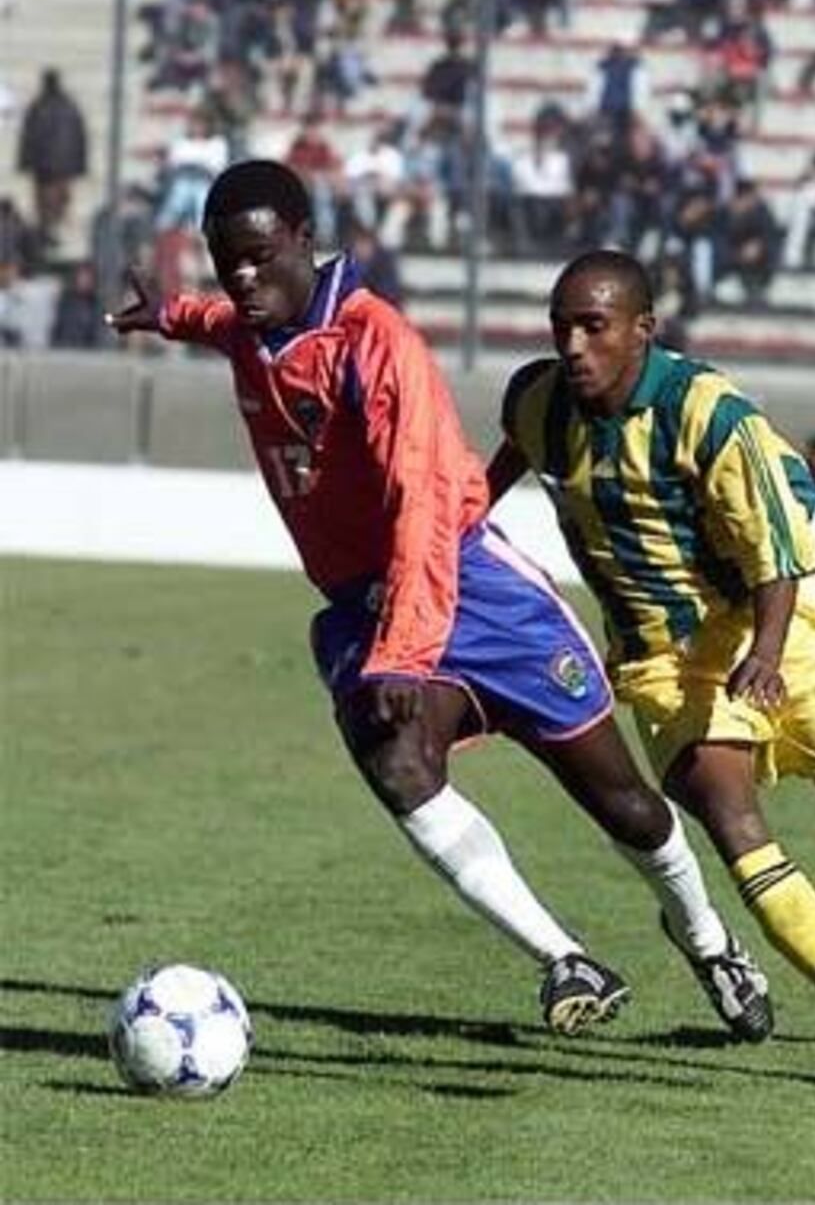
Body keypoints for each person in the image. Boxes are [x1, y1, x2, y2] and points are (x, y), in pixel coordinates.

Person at [107, 161, 771, 1043]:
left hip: (474, 591)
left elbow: (421, 505)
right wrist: (171, 315)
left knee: (624, 805)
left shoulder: (377, 344)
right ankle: (564, 959)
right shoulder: (254, 324)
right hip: (366, 605)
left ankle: (707, 941)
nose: (243, 278)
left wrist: (403, 653)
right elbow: (227, 321)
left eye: (260, 257)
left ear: (306, 240)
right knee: (396, 762)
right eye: (227, 262)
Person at [488, 249, 815, 1090]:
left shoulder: (710, 417)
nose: (573, 345)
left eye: (593, 326)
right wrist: (457, 523)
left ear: (642, 331)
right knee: (731, 820)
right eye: (560, 327)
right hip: (662, 661)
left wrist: (762, 654)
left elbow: (777, 552)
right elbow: (514, 450)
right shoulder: (535, 400)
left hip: (779, 636)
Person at [16, 67, 89, 248]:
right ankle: (49, 230)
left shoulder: (40, 106)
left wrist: (25, 162)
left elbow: (28, 136)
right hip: (60, 165)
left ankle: (49, 230)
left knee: (48, 200)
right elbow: (80, 136)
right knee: (55, 199)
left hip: (47, 165)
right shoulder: (67, 106)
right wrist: (80, 164)